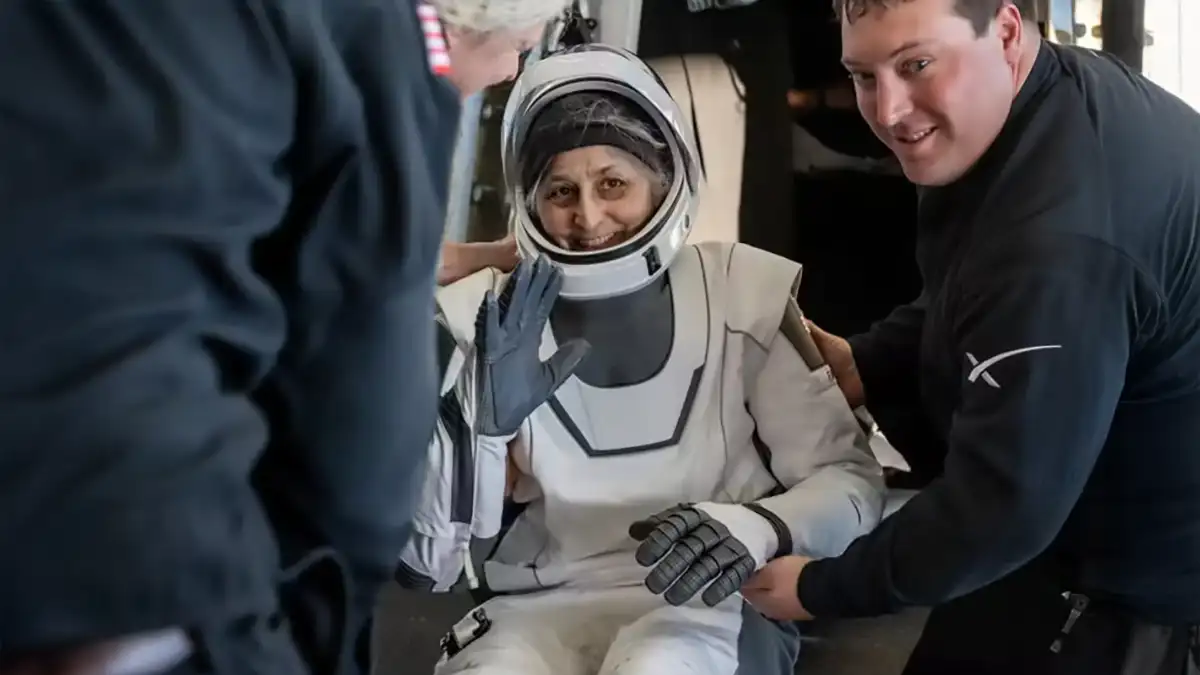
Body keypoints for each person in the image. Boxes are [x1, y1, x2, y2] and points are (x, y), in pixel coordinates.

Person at [0, 1, 565, 675]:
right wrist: (321, 626)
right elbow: (359, 402)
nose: (515, 67)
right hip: (135, 577)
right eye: (524, 45)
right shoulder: (388, 40)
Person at [396, 44, 889, 674]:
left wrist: (760, 527)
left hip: (706, 607)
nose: (588, 216)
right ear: (529, 203)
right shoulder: (485, 320)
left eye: (613, 184)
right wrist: (481, 435)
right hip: (529, 613)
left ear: (664, 182)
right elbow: (427, 568)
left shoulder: (741, 296)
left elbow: (850, 483)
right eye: (560, 190)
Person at [739, 1, 1200, 673]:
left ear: (1007, 32)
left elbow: (1002, 506)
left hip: (1134, 592)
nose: (890, 110)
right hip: (1057, 524)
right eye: (864, 76)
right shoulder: (1028, 108)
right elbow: (970, 288)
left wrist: (819, 586)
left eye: (917, 64)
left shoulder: (1057, 243)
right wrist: (865, 361)